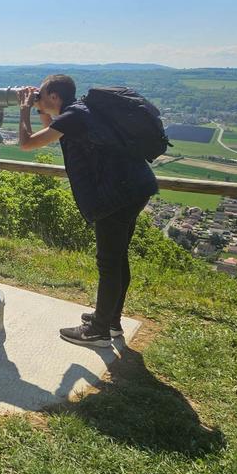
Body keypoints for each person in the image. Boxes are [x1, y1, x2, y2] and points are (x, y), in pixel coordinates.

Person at [16, 74, 158, 347]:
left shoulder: (74, 116)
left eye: (42, 95)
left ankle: (98, 331)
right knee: (118, 259)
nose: (37, 99)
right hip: (133, 187)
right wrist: (40, 108)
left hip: (115, 195)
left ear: (54, 96)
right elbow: (52, 131)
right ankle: (110, 321)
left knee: (109, 263)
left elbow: (27, 143)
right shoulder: (78, 112)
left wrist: (24, 109)